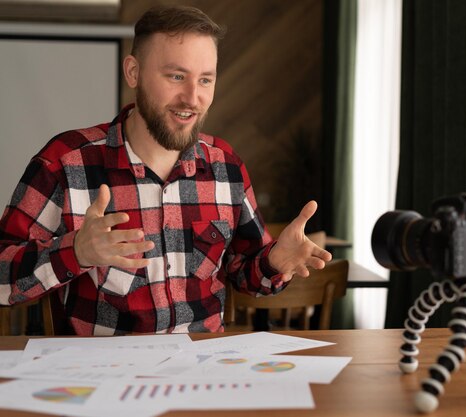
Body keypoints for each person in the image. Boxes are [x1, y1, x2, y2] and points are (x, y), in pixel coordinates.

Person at [0, 5, 331, 335]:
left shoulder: (226, 166)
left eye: (205, 80)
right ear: (133, 72)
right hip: (103, 379)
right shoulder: (64, 163)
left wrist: (274, 262)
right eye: (176, 76)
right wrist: (76, 252)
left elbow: (246, 272)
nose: (192, 97)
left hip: (203, 373)